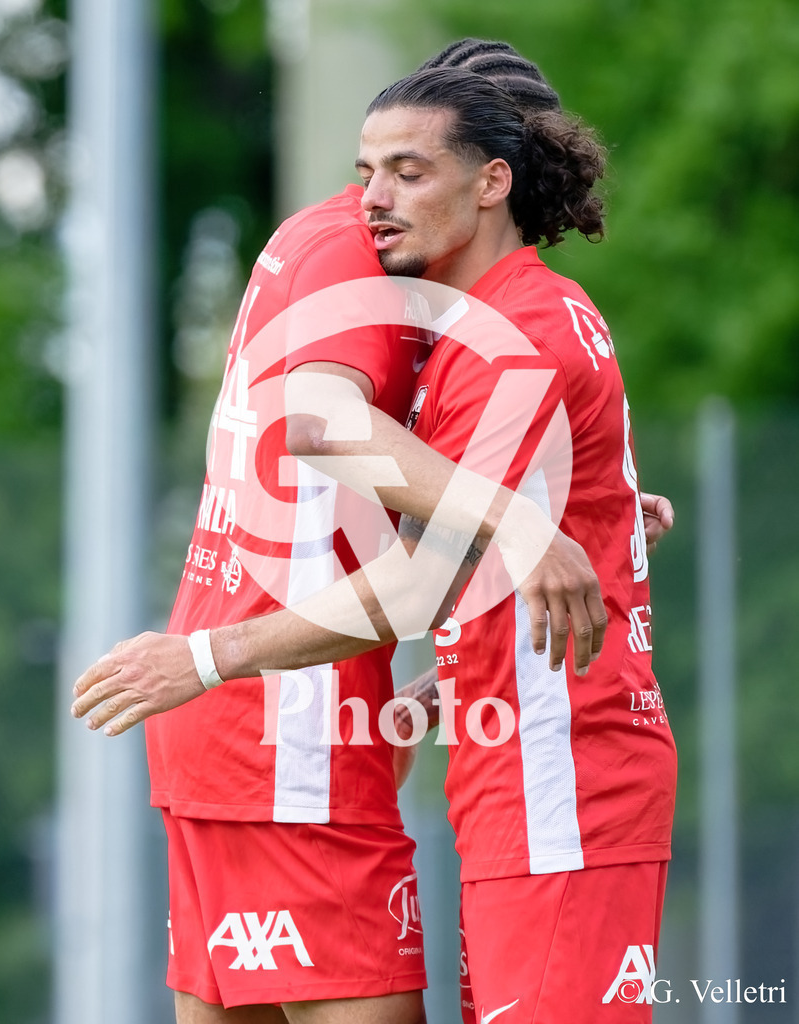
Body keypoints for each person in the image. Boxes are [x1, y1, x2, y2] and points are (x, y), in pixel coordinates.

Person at [71, 53, 676, 1024]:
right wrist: (543, 519)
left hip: (533, 780)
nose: (375, 198)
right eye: (368, 171)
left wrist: (204, 658)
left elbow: (415, 561)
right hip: (341, 745)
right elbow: (357, 446)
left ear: (493, 180)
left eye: (407, 170)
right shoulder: (406, 282)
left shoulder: (495, 324)